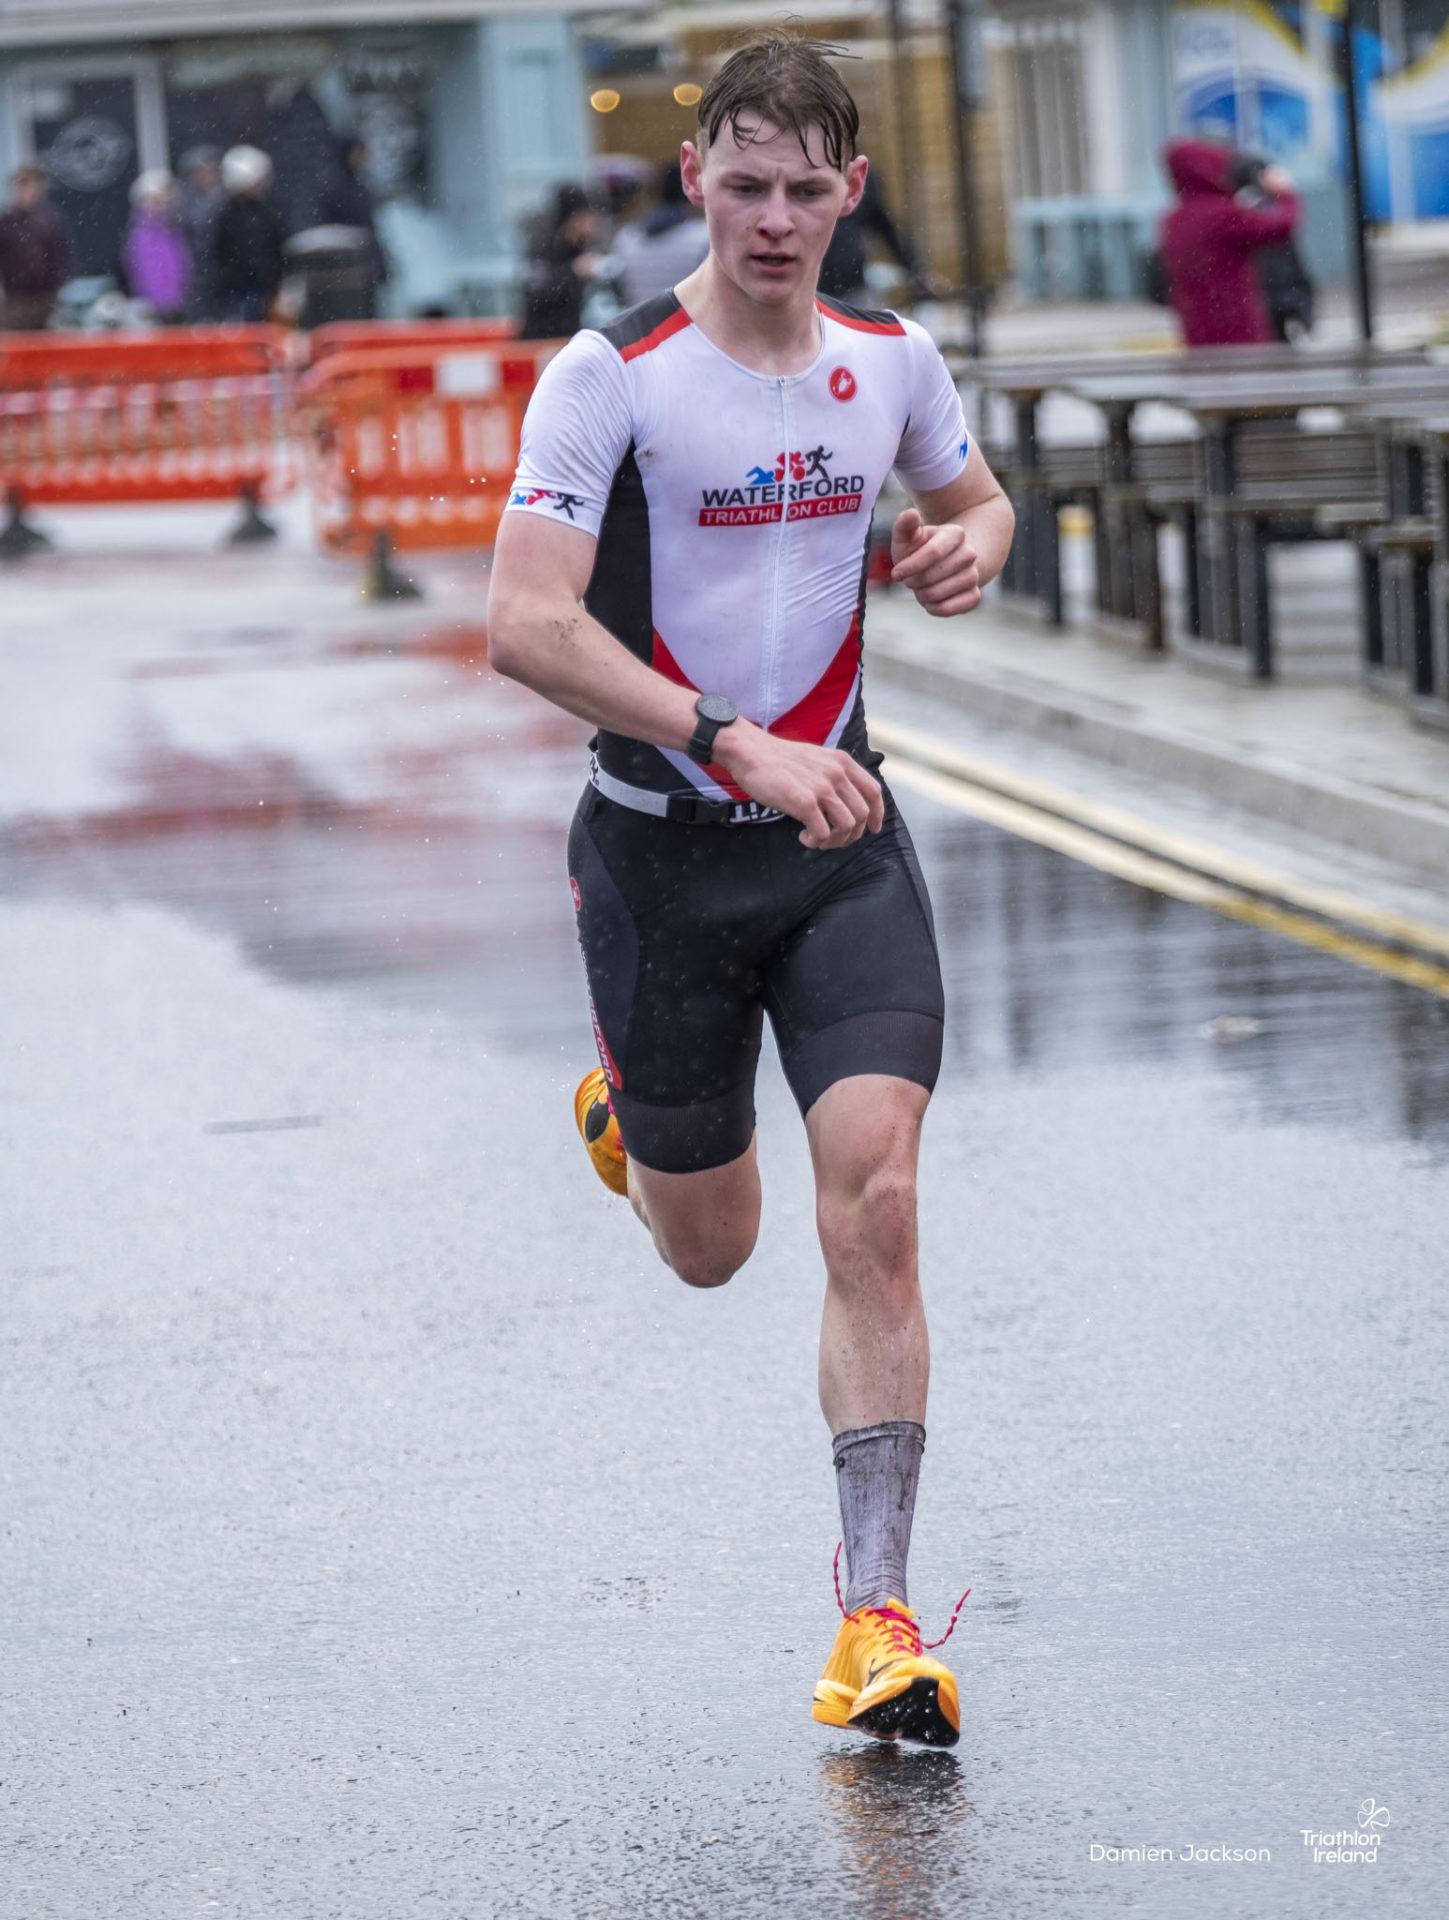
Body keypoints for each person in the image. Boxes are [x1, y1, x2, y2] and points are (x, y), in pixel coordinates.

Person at [488, 34, 1014, 1747]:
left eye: (803, 190)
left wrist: (964, 549)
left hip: (836, 846)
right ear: (693, 181)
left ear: (848, 190)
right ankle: (630, 1123)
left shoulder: (891, 359)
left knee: (878, 1200)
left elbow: (978, 502)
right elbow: (524, 625)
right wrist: (730, 741)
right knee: (710, 1251)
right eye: (742, 186)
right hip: (659, 854)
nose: (773, 220)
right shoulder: (611, 377)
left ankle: (876, 1622)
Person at [1159, 138, 1299, 348]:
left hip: (1196, 332)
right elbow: (1281, 226)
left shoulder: (1174, 220)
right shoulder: (1221, 215)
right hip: (1239, 329)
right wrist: (1284, 192)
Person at [817, 166, 930, 307]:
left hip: (853, 287)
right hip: (814, 290)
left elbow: (885, 227)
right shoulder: (811, 174)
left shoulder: (862, 178)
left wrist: (915, 269)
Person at [610, 161, 709, 308]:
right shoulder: (704, 237)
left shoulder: (627, 237)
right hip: (687, 319)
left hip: (639, 320)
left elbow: (620, 292)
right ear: (694, 192)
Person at [518, 183, 601, 340]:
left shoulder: (579, 247)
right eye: (588, 216)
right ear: (574, 219)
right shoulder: (543, 246)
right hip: (541, 339)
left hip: (568, 337)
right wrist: (573, 272)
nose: (594, 222)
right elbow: (538, 293)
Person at [214, 145, 287, 323]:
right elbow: (221, 252)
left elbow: (276, 245)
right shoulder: (227, 213)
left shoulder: (267, 210)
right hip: (241, 288)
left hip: (265, 287)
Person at [0, 164, 69, 331]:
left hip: (46, 298)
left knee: (45, 343)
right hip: (16, 299)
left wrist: (56, 285)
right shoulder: (6, 223)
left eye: (32, 187)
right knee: (19, 342)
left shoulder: (50, 220)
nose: (28, 192)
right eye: (24, 187)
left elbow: (60, 255)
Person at [120, 171, 192, 323]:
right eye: (157, 201)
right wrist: (162, 305)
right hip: (154, 312)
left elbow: (182, 267)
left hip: (176, 309)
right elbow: (146, 274)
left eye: (166, 201)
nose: (163, 206)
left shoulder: (173, 229)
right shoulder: (140, 235)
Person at [176, 147, 226, 321]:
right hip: (191, 276)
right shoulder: (180, 203)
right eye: (205, 171)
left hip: (217, 274)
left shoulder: (222, 200)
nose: (210, 176)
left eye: (214, 171)